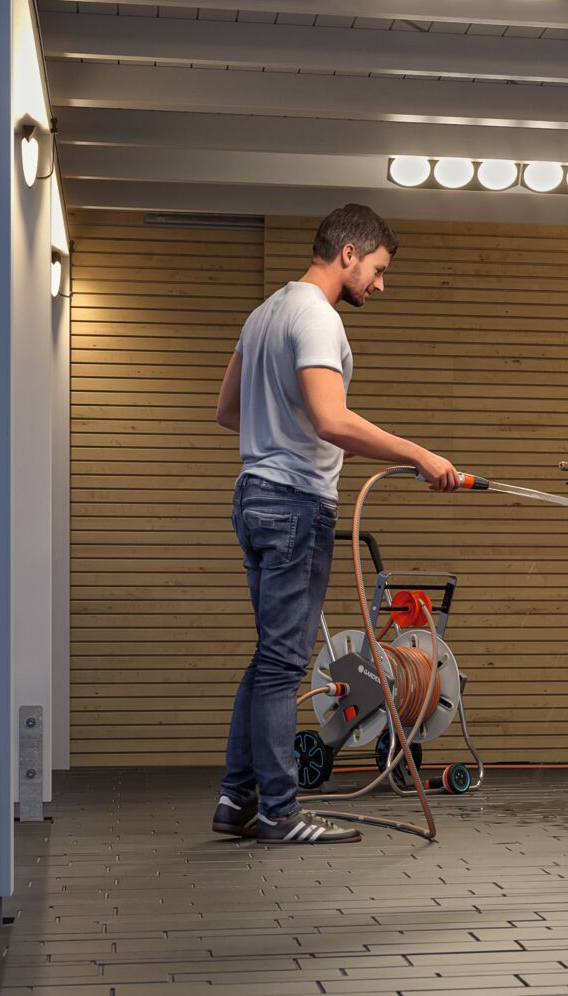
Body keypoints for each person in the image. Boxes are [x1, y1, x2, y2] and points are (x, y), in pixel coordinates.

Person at [209, 203, 462, 846]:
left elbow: (228, 411)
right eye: (377, 268)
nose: (380, 284)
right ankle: (279, 813)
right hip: (295, 503)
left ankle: (237, 801)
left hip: (253, 497)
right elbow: (331, 420)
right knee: (282, 664)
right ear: (348, 253)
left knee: (270, 658)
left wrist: (277, 428)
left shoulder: (263, 314)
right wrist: (420, 454)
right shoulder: (318, 316)